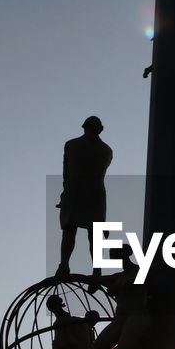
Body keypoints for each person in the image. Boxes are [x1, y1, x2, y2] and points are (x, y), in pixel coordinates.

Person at [54, 116, 113, 279]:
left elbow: (66, 173)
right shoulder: (107, 150)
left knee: (71, 230)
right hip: (93, 191)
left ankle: (66, 266)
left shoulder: (72, 145)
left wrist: (65, 193)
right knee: (84, 231)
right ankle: (94, 269)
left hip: (78, 190)